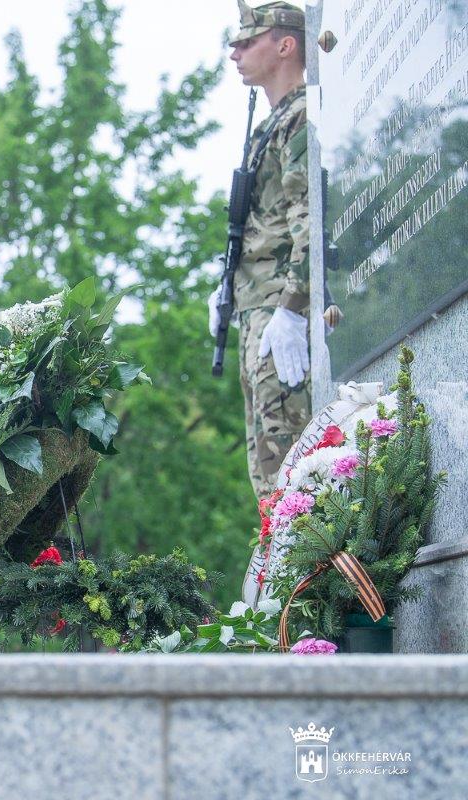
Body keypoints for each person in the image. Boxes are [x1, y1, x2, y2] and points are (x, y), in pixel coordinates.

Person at [213, 0, 325, 502]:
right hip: (258, 310)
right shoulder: (272, 124)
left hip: (281, 311)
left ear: (286, 45)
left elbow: (308, 219)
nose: (235, 53)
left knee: (293, 468)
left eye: (247, 41)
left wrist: (293, 308)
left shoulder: (299, 116)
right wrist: (229, 287)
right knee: (268, 473)